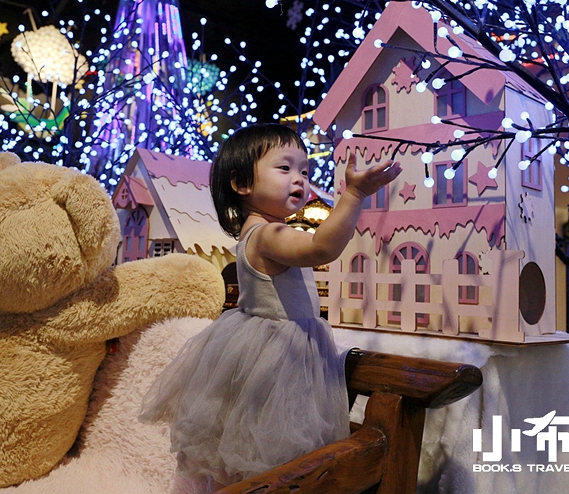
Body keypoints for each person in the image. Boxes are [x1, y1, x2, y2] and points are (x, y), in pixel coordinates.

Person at [139, 123, 401, 489]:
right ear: (241, 183)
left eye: (305, 171)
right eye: (285, 168)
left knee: (264, 445)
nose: (299, 179)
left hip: (279, 348)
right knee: (274, 448)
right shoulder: (266, 234)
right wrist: (354, 195)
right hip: (279, 356)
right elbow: (321, 248)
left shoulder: (263, 230)